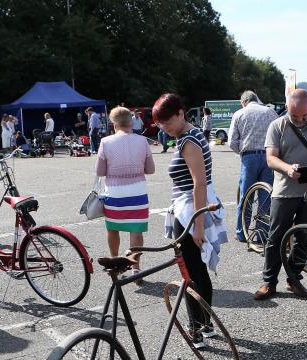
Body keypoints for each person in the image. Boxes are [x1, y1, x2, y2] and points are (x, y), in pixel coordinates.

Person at [153, 93, 227, 346]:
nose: (163, 127)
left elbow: (199, 185)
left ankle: (196, 328)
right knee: (198, 271)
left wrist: (197, 225)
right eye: (160, 123)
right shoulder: (191, 135)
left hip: (190, 213)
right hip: (188, 210)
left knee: (190, 274)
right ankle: (205, 325)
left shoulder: (189, 141)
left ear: (180, 113)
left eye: (166, 121)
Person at [254, 89, 307, 300]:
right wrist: (288, 168)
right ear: (287, 108)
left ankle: (294, 279)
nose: (300, 120)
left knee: (304, 236)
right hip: (283, 191)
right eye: (295, 116)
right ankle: (269, 281)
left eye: (304, 116)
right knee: (276, 237)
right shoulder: (278, 125)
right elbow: (271, 158)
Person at [95, 107, 155, 282]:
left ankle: (114, 262)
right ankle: (136, 270)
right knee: (136, 231)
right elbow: (150, 169)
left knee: (113, 228)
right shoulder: (143, 141)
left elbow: (100, 171)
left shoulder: (106, 142)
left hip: (115, 192)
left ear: (114, 124)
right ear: (131, 122)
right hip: (138, 191)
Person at [228, 90, 279, 242]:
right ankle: (262, 234)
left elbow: (232, 142)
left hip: (249, 157)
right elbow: (279, 136)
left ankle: (241, 233)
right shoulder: (271, 113)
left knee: (246, 197)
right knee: (266, 197)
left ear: (243, 102)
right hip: (268, 157)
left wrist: (242, 152)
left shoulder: (239, 114)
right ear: (256, 99)